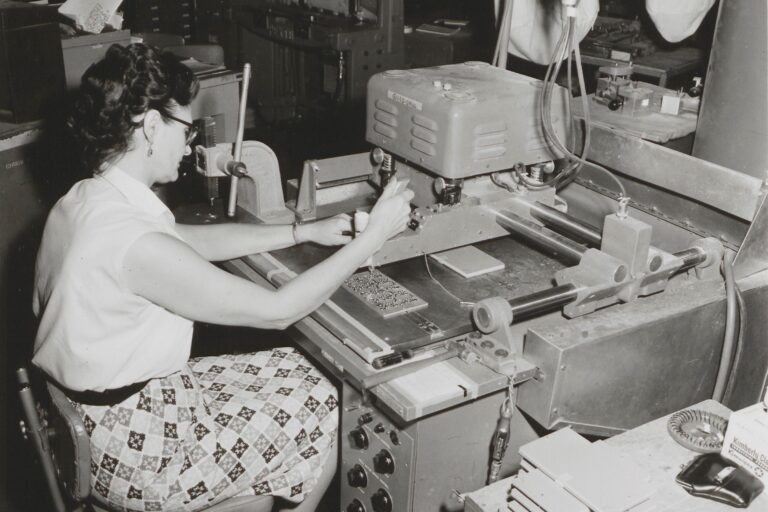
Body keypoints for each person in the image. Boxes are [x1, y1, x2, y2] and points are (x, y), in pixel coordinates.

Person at [31, 43, 413, 512]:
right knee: (331, 403)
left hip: (101, 419)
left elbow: (182, 242)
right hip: (141, 449)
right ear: (151, 126)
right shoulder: (133, 243)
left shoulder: (82, 200)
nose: (190, 142)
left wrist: (300, 231)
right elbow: (279, 312)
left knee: (308, 375)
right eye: (186, 128)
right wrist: (370, 239)